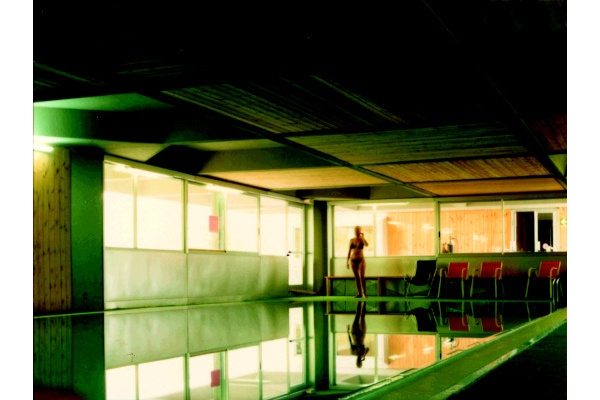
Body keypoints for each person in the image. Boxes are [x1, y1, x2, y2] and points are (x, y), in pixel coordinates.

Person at [347, 226, 369, 298]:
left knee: (362, 277)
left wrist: (363, 238)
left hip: (361, 259)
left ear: (360, 231)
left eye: (358, 230)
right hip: (353, 260)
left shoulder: (362, 240)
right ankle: (359, 293)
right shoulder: (351, 240)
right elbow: (349, 251)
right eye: (355, 230)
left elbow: (367, 244)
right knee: (356, 277)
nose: (356, 231)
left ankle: (364, 293)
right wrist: (347, 261)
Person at [347, 301, 369, 368]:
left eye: (358, 362)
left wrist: (348, 331)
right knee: (362, 317)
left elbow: (350, 342)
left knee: (357, 315)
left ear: (356, 361)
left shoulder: (353, 353)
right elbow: (368, 348)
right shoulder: (362, 353)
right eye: (359, 362)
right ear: (361, 362)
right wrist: (364, 355)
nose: (358, 361)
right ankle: (364, 301)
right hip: (361, 333)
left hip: (354, 332)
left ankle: (359, 300)